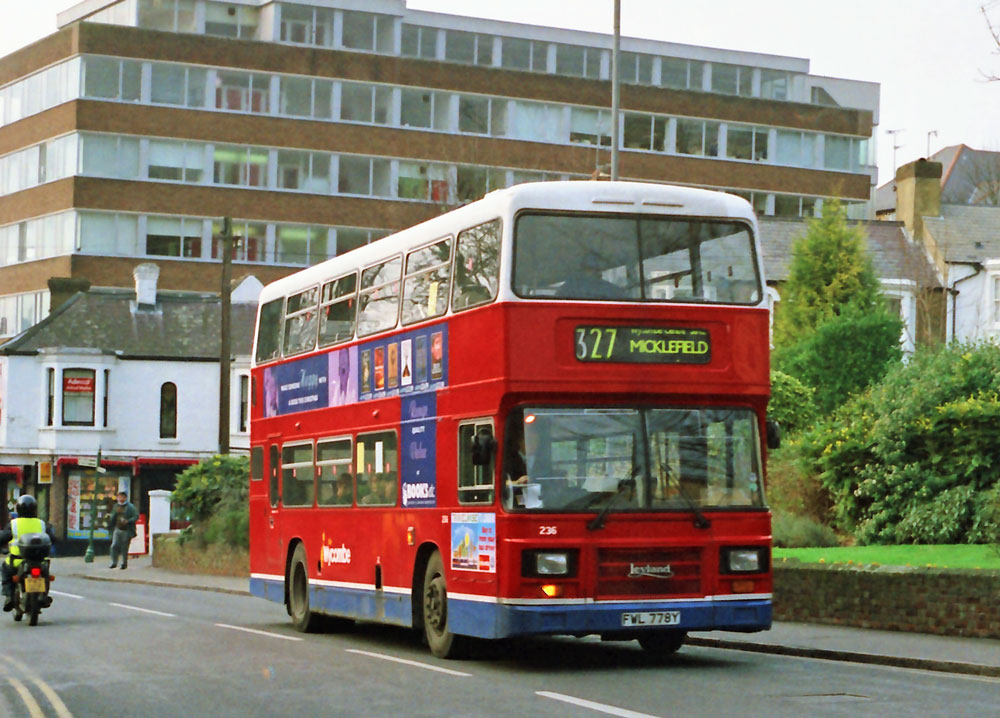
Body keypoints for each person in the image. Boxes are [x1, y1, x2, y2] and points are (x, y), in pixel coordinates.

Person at [0, 495, 56, 612]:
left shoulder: (14, 524)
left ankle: (9, 597)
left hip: (18, 561)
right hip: (40, 561)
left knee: (5, 570)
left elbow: (4, 537)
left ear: (18, 509)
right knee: (45, 576)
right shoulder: (41, 524)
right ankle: (43, 595)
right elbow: (52, 538)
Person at [107, 491, 138, 570]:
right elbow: (113, 517)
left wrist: (128, 521)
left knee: (124, 547)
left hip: (126, 530)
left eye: (122, 497)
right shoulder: (116, 506)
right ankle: (114, 562)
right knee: (114, 545)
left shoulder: (130, 507)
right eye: (119, 497)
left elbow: (136, 516)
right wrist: (110, 524)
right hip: (117, 528)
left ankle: (124, 563)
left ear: (125, 498)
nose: (120, 499)